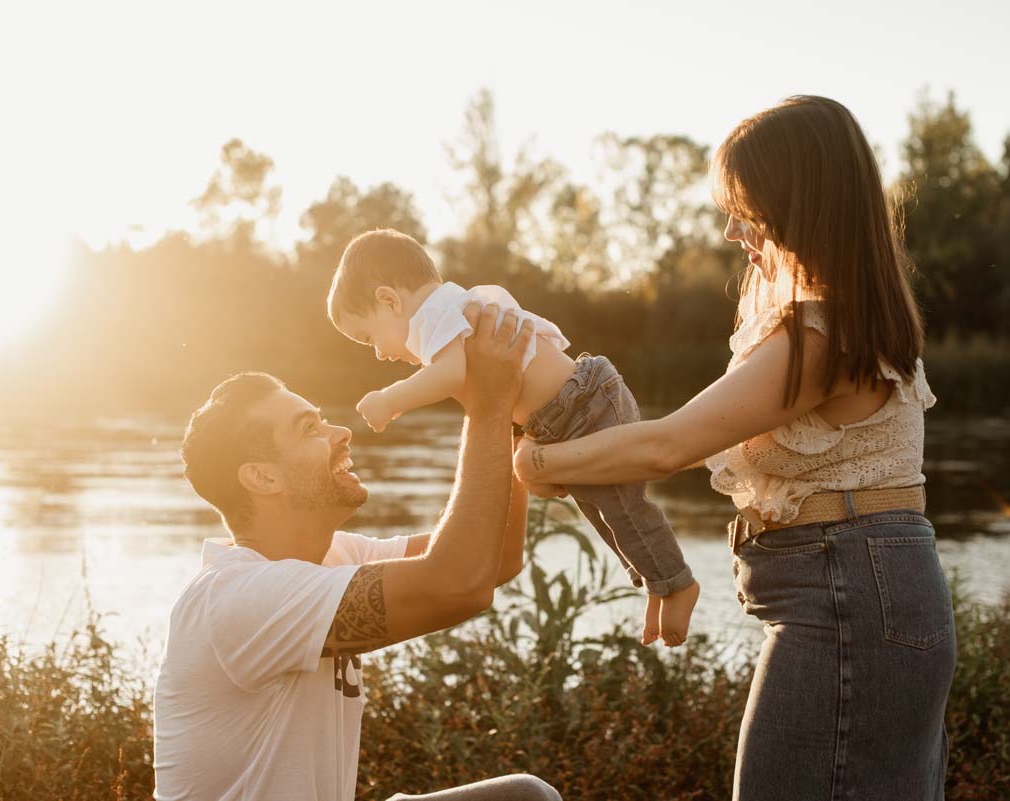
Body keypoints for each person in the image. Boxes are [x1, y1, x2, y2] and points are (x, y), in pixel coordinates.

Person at [512, 96, 957, 800]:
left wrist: (539, 463)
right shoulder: (855, 318)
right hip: (874, 586)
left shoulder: (822, 333)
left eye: (746, 210)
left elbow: (669, 444)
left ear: (798, 206)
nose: (731, 229)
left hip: (848, 591)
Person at [153, 305, 561, 801]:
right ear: (263, 477)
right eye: (309, 429)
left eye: (323, 421)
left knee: (524, 797)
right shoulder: (235, 600)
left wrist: (516, 414)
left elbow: (493, 560)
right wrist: (487, 405)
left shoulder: (335, 555)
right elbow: (457, 584)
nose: (340, 433)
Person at [326, 229, 700, 646]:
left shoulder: (435, 316)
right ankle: (658, 582)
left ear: (389, 300)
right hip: (571, 410)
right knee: (607, 510)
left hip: (581, 404)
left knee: (622, 507)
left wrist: (389, 399)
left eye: (369, 337)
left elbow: (447, 375)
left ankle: (678, 584)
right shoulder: (455, 306)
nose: (378, 353)